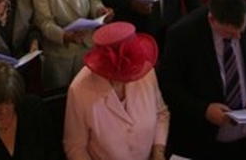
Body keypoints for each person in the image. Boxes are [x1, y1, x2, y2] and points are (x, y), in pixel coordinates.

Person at [159, 0, 246, 160]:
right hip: (203, 142)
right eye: (230, 34)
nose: (238, 37)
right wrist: (204, 110)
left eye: (241, 30)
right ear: (212, 19)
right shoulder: (182, 35)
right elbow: (169, 86)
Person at [63, 21, 168, 160]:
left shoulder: (144, 69)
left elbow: (161, 114)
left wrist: (158, 152)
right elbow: (75, 147)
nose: (130, 78)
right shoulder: (79, 89)